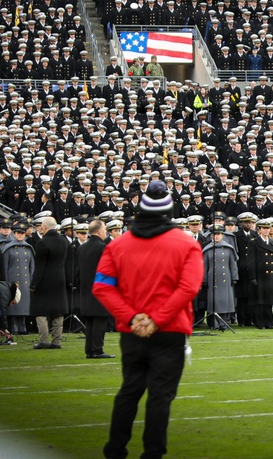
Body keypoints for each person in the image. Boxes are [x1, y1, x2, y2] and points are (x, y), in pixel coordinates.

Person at [93, 180, 204, 459]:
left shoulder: (117, 244)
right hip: (170, 330)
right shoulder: (186, 243)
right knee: (161, 395)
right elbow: (189, 288)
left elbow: (102, 287)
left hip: (133, 331)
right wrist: (156, 319)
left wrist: (133, 318)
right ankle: (153, 452)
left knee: (130, 389)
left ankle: (115, 449)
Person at [30, 215, 69, 349]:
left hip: (45, 280)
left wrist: (34, 284)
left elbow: (40, 267)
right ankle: (57, 341)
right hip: (60, 279)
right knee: (58, 311)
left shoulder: (42, 243)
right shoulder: (64, 241)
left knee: (40, 310)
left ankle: (44, 340)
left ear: (44, 227)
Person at [78, 219, 114, 359]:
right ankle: (97, 349)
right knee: (100, 320)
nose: (105, 231)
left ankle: (90, 350)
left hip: (86, 290)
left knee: (90, 321)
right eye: (104, 229)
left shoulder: (82, 247)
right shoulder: (102, 248)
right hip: (101, 289)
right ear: (99, 231)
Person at [203, 223, 239, 328]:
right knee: (214, 302)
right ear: (211, 236)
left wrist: (234, 277)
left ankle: (224, 323)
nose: (216, 236)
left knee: (225, 301)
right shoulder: (208, 249)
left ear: (222, 235)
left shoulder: (229, 248)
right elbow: (204, 265)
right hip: (212, 279)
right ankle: (214, 323)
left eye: (219, 234)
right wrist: (204, 279)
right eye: (214, 234)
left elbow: (233, 264)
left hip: (226, 278)